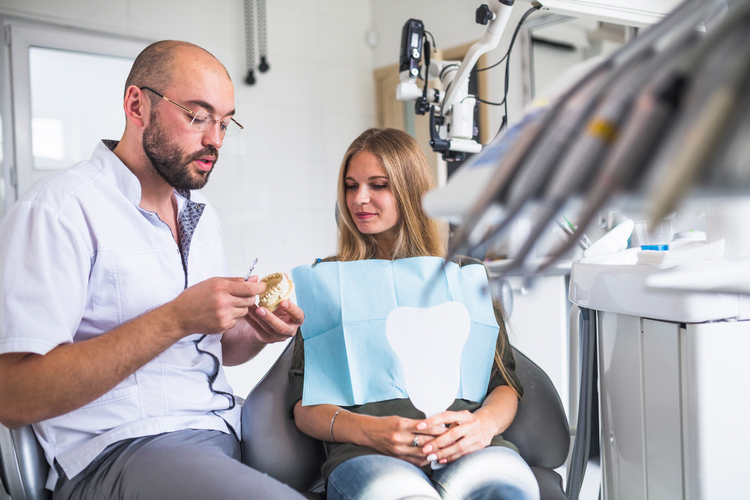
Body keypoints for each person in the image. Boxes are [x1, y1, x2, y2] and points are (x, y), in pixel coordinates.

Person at [0, 40, 306, 500]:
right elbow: (16, 395)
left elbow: (206, 352)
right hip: (123, 448)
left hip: (222, 427)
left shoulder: (200, 213)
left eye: (225, 123)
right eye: (198, 116)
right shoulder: (60, 210)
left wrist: (256, 332)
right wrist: (176, 317)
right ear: (136, 104)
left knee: (353, 468)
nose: (215, 140)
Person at [288, 128, 541, 500]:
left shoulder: (464, 277)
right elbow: (304, 406)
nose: (360, 199)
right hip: (368, 454)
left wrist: (481, 426)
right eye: (351, 185)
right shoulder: (328, 281)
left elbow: (504, 382)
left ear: (409, 189)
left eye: (378, 185)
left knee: (507, 492)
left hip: (468, 447)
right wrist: (369, 431)